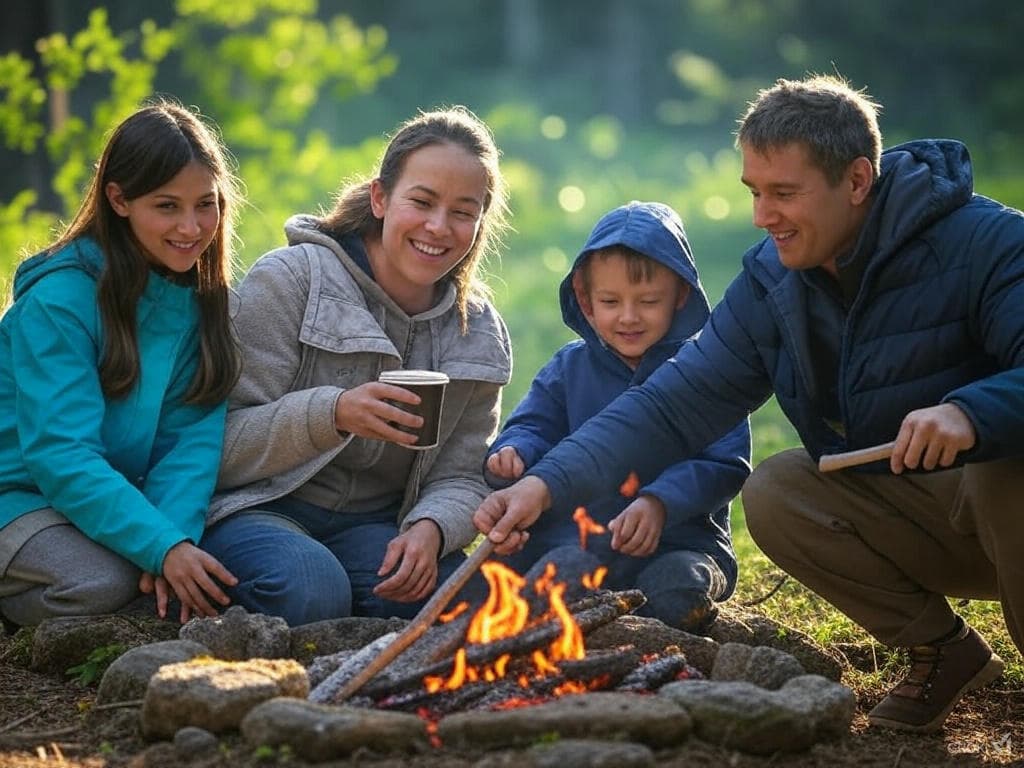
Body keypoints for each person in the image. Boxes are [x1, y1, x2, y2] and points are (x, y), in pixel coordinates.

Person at [474, 74, 1024, 734]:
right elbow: (669, 406)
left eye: (783, 194)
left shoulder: (986, 243)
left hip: (1000, 503)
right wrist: (543, 483)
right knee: (779, 489)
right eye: (755, 192)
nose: (763, 215)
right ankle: (943, 650)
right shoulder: (773, 281)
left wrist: (970, 412)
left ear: (856, 181)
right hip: (927, 515)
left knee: (1008, 461)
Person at [202, 106, 512, 627]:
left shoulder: (476, 329)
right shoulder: (291, 281)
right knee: (309, 589)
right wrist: (334, 412)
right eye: (422, 201)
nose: (439, 227)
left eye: (464, 210)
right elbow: (217, 444)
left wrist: (431, 529)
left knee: (472, 602)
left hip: (373, 525)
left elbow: (462, 472)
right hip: (259, 509)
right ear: (380, 198)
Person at [0, 102, 243, 629]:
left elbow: (190, 441)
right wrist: (157, 546)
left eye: (206, 204)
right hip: (20, 496)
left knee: (166, 580)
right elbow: (59, 453)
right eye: (167, 206)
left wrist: (171, 538)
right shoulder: (58, 303)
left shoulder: (197, 299)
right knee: (103, 583)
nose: (191, 226)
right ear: (119, 199)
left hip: (105, 499)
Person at [484, 201, 750, 632]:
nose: (628, 317)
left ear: (680, 297)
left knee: (678, 590)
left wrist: (660, 502)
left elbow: (724, 465)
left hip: (679, 540)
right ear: (585, 302)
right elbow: (535, 423)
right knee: (554, 580)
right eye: (610, 301)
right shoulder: (568, 368)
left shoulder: (704, 370)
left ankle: (666, 620)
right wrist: (515, 450)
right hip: (581, 539)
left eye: (648, 301)